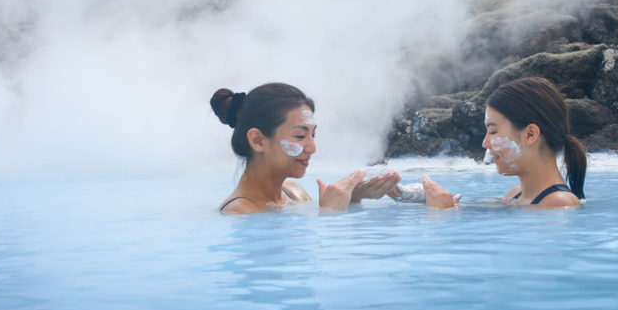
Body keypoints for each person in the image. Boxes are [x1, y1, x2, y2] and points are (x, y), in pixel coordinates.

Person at [392, 77, 586, 209]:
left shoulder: (559, 203)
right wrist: (415, 195)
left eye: (493, 131)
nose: (485, 143)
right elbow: (470, 211)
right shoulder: (515, 195)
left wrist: (442, 215)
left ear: (530, 134)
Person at [211, 83, 400, 214]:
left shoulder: (294, 192)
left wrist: (353, 199)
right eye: (300, 136)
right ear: (258, 140)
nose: (312, 148)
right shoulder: (239, 211)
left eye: (313, 135)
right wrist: (329, 213)